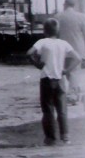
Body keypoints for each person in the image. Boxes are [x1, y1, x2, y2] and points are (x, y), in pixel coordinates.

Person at [27, 18, 82, 146]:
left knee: (48, 110)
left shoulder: (42, 42)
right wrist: (66, 70)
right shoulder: (64, 43)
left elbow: (29, 53)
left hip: (46, 78)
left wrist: (37, 64)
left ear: (45, 31)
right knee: (62, 109)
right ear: (58, 31)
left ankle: (50, 138)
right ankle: (65, 137)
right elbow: (78, 58)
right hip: (60, 79)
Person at [55, 0, 85, 105]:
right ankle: (73, 95)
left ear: (65, 5)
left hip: (62, 49)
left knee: (66, 72)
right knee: (74, 72)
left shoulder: (57, 17)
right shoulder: (81, 17)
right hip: (77, 49)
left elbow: (54, 34)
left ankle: (69, 93)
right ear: (74, 5)